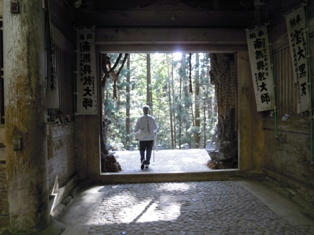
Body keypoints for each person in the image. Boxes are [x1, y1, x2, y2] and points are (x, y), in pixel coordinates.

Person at [134, 105, 158, 170]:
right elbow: (156, 128)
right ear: (148, 110)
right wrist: (154, 132)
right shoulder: (152, 118)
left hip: (142, 138)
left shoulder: (140, 119)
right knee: (149, 151)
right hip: (150, 138)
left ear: (143, 111)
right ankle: (147, 163)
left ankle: (142, 160)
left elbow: (136, 129)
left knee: (142, 151)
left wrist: (137, 135)